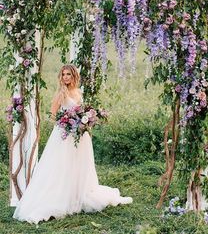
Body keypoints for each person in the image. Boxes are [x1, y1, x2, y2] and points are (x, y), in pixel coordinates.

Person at [13, 64, 132, 224]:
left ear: (74, 76)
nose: (66, 77)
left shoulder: (78, 91)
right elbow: (52, 115)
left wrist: (86, 121)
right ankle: (61, 197)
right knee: (63, 165)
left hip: (81, 136)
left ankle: (77, 194)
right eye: (63, 74)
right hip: (64, 135)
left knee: (79, 165)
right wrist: (67, 122)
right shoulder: (60, 94)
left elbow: (81, 110)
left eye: (68, 74)